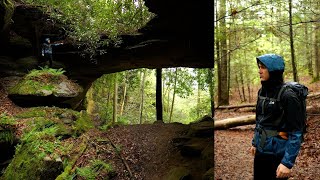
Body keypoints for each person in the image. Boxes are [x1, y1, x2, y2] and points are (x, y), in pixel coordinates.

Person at [249, 54, 304, 180]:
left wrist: (287, 163)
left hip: (278, 153)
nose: (259, 70)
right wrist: (255, 142)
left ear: (273, 70)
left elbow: (296, 132)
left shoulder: (288, 96)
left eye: (263, 67)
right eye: (259, 67)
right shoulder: (262, 91)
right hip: (261, 149)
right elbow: (260, 120)